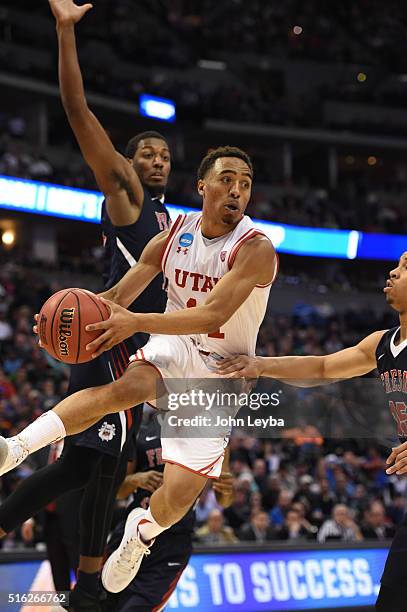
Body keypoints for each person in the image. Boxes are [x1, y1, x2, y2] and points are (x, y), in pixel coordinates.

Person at [0, 143, 278, 594]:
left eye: (245, 184)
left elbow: (212, 316)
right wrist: (61, 319)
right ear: (202, 186)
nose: (237, 191)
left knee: (176, 500)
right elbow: (116, 299)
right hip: (174, 344)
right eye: (227, 179)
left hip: (220, 372)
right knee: (122, 390)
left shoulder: (256, 248)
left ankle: (141, 532)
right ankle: (17, 447)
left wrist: (136, 321)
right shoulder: (172, 234)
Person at [0, 0, 171, 608]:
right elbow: (77, 112)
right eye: (145, 152)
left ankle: (86, 586)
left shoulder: (169, 219)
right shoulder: (126, 196)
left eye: (163, 157)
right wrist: (66, 33)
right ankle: (89, 586)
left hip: (138, 348)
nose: (154, 161)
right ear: (127, 162)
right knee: (94, 463)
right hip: (105, 338)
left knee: (91, 466)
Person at [217, 250, 407, 611]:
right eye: (396, 265)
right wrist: (260, 365)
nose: (393, 272)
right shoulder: (383, 343)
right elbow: (321, 368)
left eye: (406, 267)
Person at [104, 413, 234, 611]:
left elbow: (224, 501)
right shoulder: (140, 430)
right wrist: (137, 479)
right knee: (97, 603)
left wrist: (227, 489)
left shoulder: (209, 432)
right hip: (131, 532)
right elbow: (117, 491)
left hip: (173, 540)